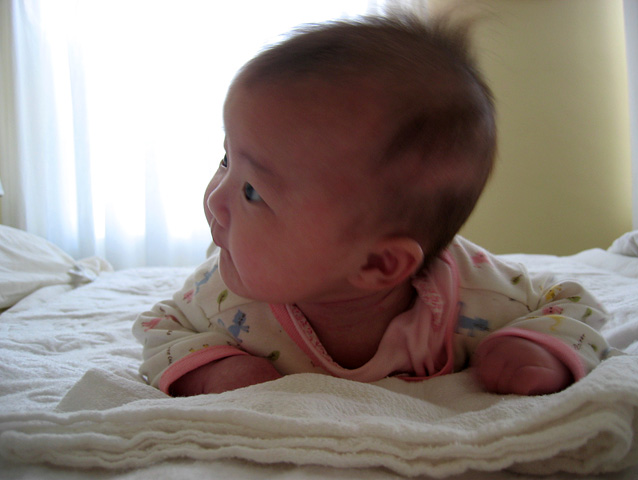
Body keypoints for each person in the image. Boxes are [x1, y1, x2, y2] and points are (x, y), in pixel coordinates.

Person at [133, 13, 610, 397]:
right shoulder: (221, 296)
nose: (215, 199)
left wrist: (533, 346)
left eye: (254, 191)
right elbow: (160, 327)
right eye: (225, 159)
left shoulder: (478, 295)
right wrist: (214, 371)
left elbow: (571, 304)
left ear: (380, 262)